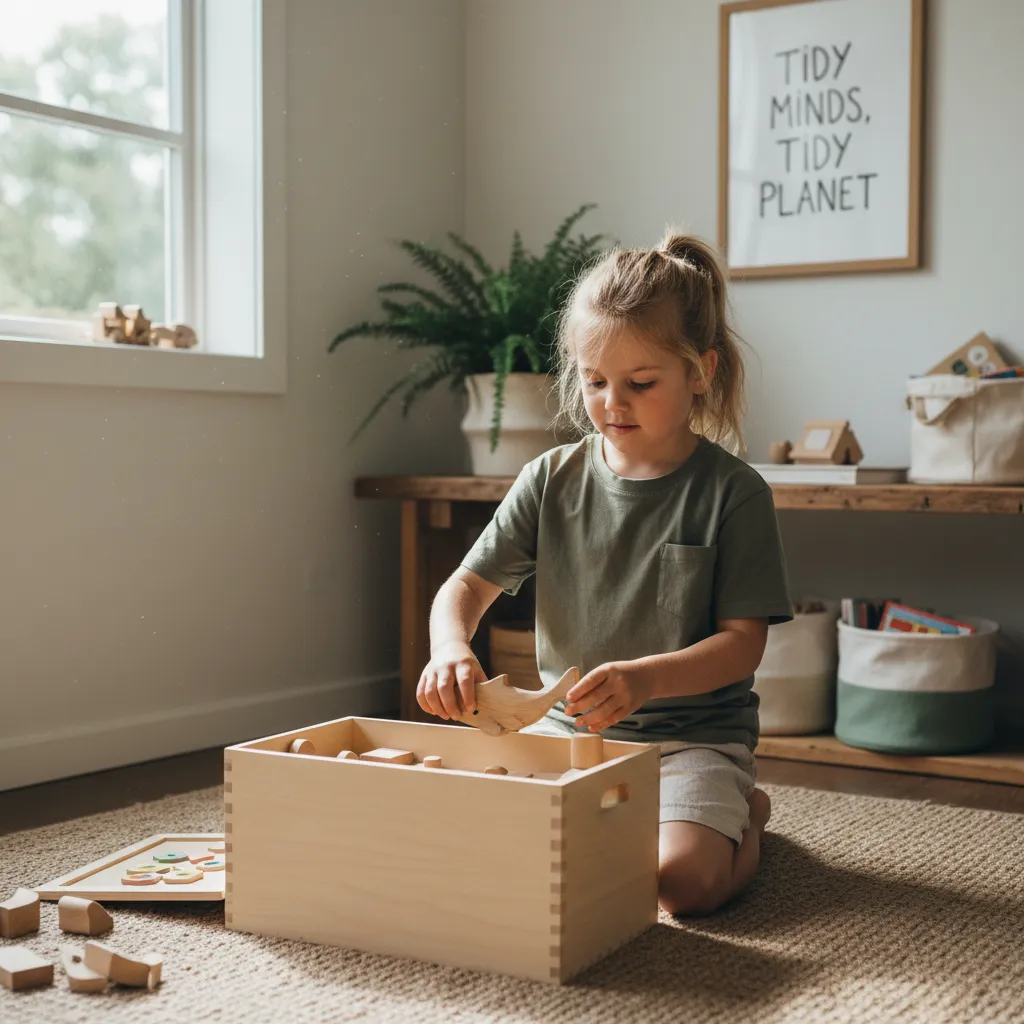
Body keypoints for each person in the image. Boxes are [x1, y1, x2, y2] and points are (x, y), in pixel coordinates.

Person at [416, 230, 793, 916]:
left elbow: (744, 644)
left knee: (681, 889)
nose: (612, 403)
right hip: (566, 735)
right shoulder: (550, 478)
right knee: (467, 844)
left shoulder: (736, 494)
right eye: (594, 382)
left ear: (700, 372)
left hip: (691, 742)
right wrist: (450, 647)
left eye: (640, 384)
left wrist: (646, 678)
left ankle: (750, 815)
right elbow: (464, 588)